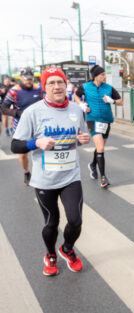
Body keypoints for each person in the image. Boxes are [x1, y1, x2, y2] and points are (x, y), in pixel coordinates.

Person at [11, 67, 90, 276]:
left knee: (75, 220)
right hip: (45, 180)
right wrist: (35, 142)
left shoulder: (76, 110)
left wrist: (83, 139)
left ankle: (67, 249)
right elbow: (15, 146)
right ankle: (50, 254)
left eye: (60, 82)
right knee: (51, 223)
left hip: (71, 176)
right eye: (51, 83)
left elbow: (79, 138)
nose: (57, 86)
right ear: (44, 88)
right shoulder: (32, 112)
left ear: (66, 85)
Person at [74, 65, 123, 188]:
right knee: (100, 147)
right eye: (102, 75)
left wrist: (111, 100)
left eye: (105, 74)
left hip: (106, 120)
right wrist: (82, 105)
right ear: (96, 76)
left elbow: (121, 102)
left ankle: (92, 164)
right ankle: (103, 177)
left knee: (100, 147)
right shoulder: (85, 87)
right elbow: (76, 96)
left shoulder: (109, 88)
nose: (105, 76)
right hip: (92, 120)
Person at [1, 68, 42, 186]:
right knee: (23, 154)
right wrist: (18, 114)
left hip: (37, 125)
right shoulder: (14, 91)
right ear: (21, 78)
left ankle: (37, 175)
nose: (29, 81)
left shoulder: (38, 89)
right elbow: (3, 109)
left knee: (37, 150)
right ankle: (26, 172)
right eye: (26, 79)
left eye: (31, 79)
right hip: (20, 126)